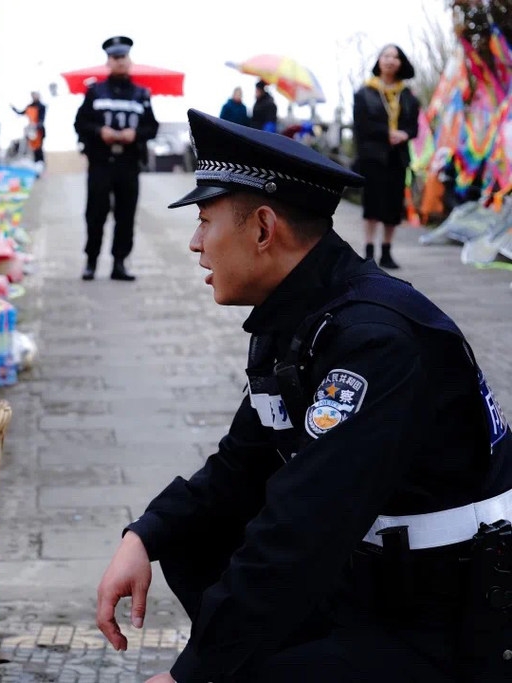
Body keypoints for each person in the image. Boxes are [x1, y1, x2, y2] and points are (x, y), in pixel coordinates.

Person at [95, 109, 512, 682]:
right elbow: (242, 463)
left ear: (264, 229)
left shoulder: (374, 341)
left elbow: (304, 527)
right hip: (374, 578)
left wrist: (192, 674)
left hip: (444, 612)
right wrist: (146, 534)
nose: (195, 244)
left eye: (205, 221)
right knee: (194, 536)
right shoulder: (299, 316)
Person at [73, 35, 159, 282]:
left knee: (126, 214)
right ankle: (91, 261)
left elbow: (152, 127)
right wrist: (100, 131)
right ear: (108, 61)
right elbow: (80, 123)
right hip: (101, 163)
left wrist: (136, 134)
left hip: (129, 164)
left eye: (124, 57)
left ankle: (119, 263)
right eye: (115, 57)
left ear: (130, 60)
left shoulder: (141, 94)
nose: (120, 61)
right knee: (95, 214)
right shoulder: (95, 92)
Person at [353, 44, 420, 269]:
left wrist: (404, 134)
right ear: (379, 61)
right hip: (372, 158)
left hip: (397, 158)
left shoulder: (408, 96)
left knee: (393, 206)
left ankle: (387, 251)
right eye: (386, 55)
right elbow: (361, 125)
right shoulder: (364, 93)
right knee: (371, 205)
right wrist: (386, 134)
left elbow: (414, 127)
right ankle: (369, 251)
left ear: (401, 63)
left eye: (395, 56)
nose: (390, 60)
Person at [12, 91, 47, 164]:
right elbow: (21, 113)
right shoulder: (29, 106)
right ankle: (35, 162)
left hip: (38, 130)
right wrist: (13, 109)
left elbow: (41, 119)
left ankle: (41, 162)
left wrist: (37, 125)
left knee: (38, 148)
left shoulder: (42, 106)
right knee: (31, 147)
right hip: (31, 130)